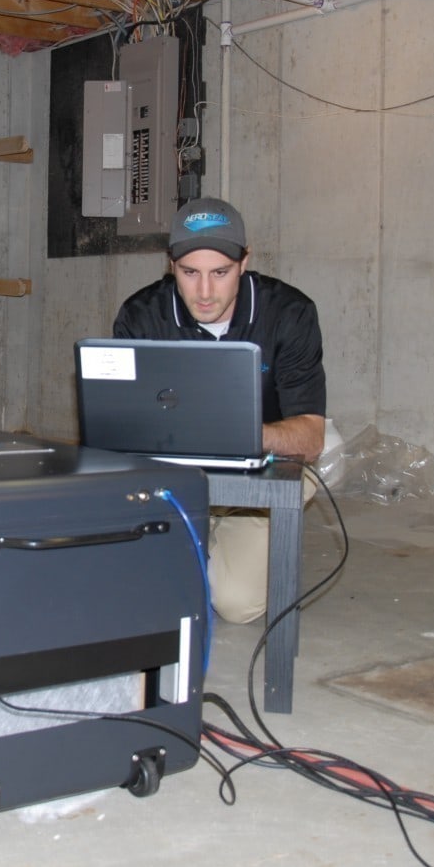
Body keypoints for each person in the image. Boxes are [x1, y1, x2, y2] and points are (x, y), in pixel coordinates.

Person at [113, 196, 326, 625]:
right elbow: (120, 432)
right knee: (132, 586)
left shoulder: (290, 313)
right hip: (174, 473)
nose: (205, 292)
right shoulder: (140, 317)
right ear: (170, 263)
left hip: (263, 473)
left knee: (236, 604)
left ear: (244, 261)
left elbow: (310, 438)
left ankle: (250, 539)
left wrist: (236, 430)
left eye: (220, 273)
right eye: (190, 273)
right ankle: (197, 531)